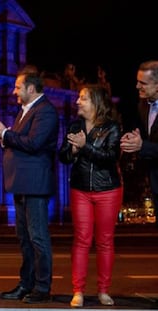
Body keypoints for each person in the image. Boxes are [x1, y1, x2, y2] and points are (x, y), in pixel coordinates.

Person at [0, 70, 59, 303]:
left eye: (18, 87)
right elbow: (20, 143)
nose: (14, 91)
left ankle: (42, 287)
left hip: (35, 185)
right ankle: (26, 284)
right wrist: (3, 136)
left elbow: (35, 144)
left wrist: (6, 134)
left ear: (31, 88)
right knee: (24, 238)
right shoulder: (24, 111)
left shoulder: (45, 110)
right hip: (21, 183)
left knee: (37, 238)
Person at [59, 84, 123, 307]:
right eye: (78, 98)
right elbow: (63, 156)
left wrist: (84, 147)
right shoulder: (75, 125)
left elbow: (110, 158)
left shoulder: (112, 127)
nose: (77, 101)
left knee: (104, 241)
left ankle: (104, 290)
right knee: (82, 240)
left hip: (108, 189)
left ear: (96, 102)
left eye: (83, 98)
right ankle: (78, 291)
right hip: (80, 189)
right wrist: (73, 150)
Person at [121, 60, 158, 227]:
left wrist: (143, 146)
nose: (137, 86)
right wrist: (135, 141)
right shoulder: (143, 106)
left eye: (142, 83)